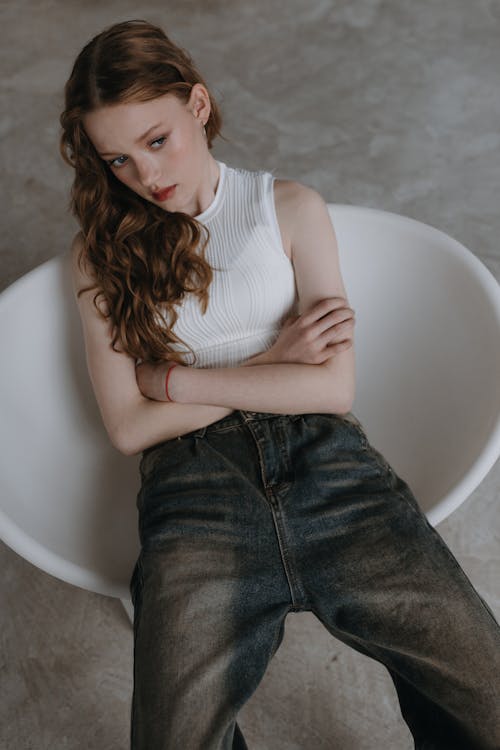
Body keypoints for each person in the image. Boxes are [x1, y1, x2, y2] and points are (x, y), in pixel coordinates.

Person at [59, 18, 500, 750]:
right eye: (119, 160)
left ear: (197, 105)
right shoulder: (98, 256)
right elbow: (129, 428)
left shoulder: (288, 208)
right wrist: (275, 362)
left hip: (331, 471)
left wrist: (169, 380)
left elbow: (330, 390)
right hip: (195, 494)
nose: (145, 175)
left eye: (156, 139)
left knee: (488, 695)